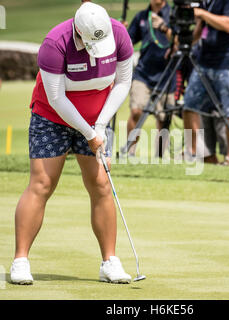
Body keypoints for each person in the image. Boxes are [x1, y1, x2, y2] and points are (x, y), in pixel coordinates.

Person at [10, 2, 134, 285]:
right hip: (52, 117)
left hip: (98, 119)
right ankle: (20, 261)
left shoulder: (118, 35)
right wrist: (89, 134)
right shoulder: (55, 43)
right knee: (42, 183)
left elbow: (123, 82)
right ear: (78, 32)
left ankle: (109, 262)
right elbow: (56, 98)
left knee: (101, 183)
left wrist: (99, 126)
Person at [183, 0, 229, 166]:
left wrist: (202, 14)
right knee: (189, 105)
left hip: (228, 63)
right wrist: (185, 42)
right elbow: (200, 29)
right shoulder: (204, 1)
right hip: (204, 61)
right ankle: (192, 153)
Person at [125, 0, 176, 157]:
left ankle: (159, 156)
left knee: (164, 118)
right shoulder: (141, 16)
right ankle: (130, 151)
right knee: (136, 111)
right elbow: (128, 42)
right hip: (143, 74)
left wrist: (164, 28)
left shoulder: (174, 15)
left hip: (167, 75)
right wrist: (121, 30)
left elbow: (180, 43)